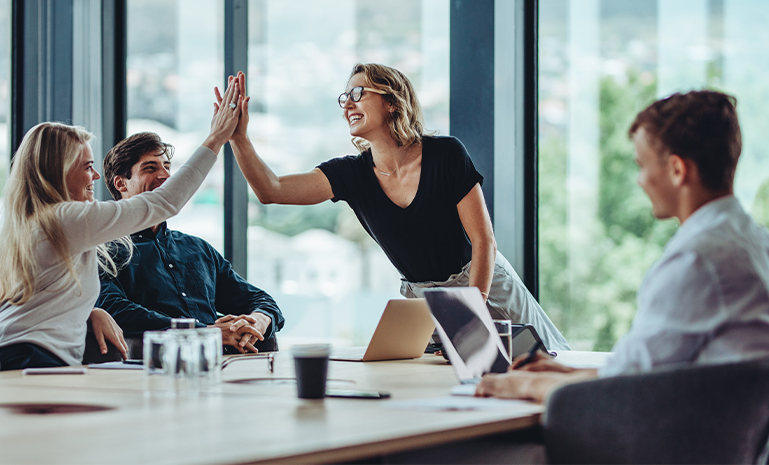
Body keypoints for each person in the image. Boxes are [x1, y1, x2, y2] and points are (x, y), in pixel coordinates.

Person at [224, 63, 569, 350]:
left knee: (547, 363)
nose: (347, 105)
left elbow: (484, 242)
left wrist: (470, 311)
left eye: (358, 94)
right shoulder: (350, 175)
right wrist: (238, 138)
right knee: (450, 386)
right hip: (425, 302)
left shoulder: (446, 154)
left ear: (392, 101)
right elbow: (271, 190)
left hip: (484, 284)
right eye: (344, 98)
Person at [476, 90, 769, 402]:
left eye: (642, 165)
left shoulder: (697, 259)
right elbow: (641, 370)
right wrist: (566, 373)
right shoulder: (753, 241)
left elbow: (624, 389)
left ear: (677, 170)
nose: (640, 180)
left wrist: (520, 385)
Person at [0, 78, 242, 370]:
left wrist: (91, 312)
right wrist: (216, 138)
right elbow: (165, 202)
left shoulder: (36, 223)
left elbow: (43, 298)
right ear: (59, 171)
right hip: (27, 357)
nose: (95, 176)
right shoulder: (65, 219)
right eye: (87, 167)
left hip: (10, 352)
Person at [96, 132, 285, 354]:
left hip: (223, 364)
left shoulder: (198, 248)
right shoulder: (104, 251)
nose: (166, 175)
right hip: (155, 365)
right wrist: (203, 332)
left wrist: (258, 320)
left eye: (167, 166)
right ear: (121, 183)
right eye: (150, 168)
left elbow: (260, 299)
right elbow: (113, 309)